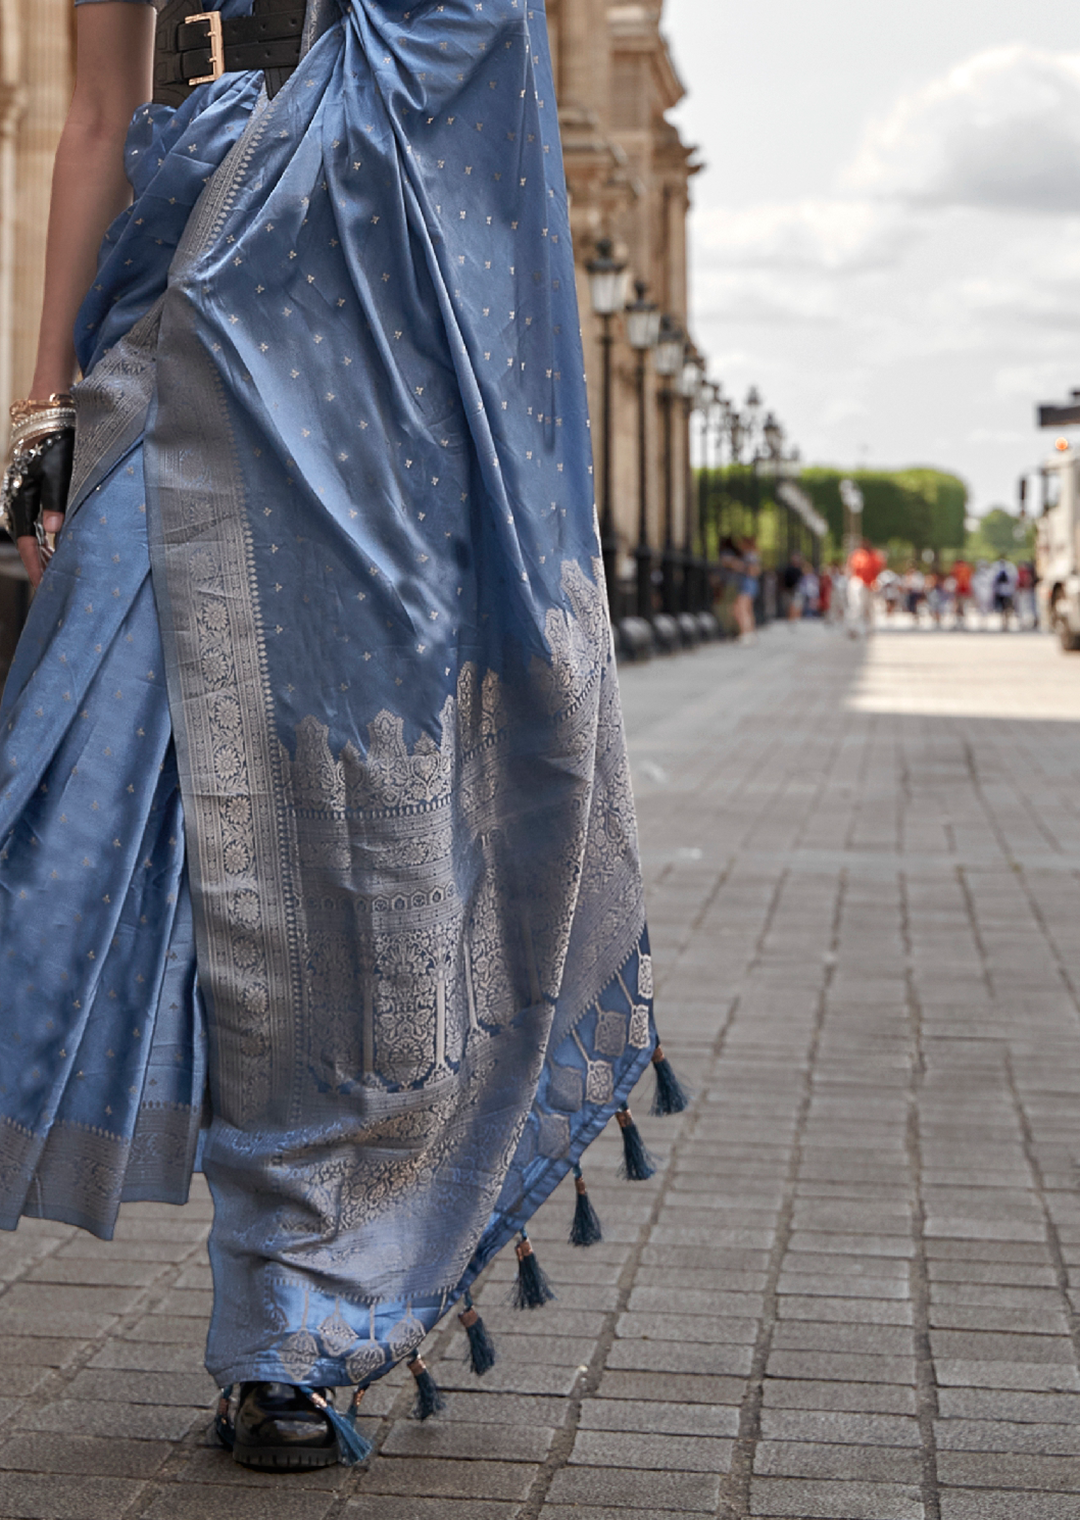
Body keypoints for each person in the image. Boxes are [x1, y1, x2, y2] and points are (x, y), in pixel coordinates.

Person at [0, 0, 670, 1472]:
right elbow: (97, 115)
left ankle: (292, 1327)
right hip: (175, 321)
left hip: (377, 373)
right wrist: (40, 415)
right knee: (50, 784)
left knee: (348, 849)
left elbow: (488, 117)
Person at [846, 538, 883, 637]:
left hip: (870, 584)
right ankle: (852, 627)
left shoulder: (875, 555)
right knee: (856, 605)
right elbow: (853, 568)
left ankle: (869, 629)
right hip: (858, 582)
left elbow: (877, 569)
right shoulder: (857, 554)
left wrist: (874, 582)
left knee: (870, 607)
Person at [733, 535, 760, 643]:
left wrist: (739, 566)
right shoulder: (752, 555)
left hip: (748, 583)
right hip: (749, 583)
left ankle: (746, 633)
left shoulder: (750, 556)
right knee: (747, 610)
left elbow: (754, 570)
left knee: (741, 609)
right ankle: (750, 633)